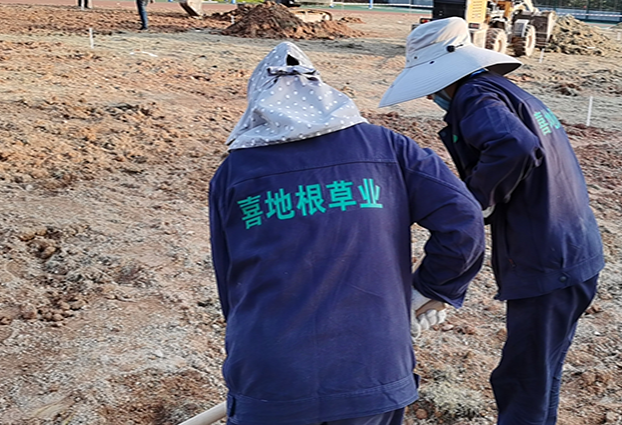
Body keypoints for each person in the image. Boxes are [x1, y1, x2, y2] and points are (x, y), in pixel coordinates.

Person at [208, 41, 486, 425]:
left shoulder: (235, 172)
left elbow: (230, 281)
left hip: (273, 373)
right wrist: (431, 290)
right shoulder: (387, 147)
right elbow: (464, 221)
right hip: (372, 364)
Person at [380, 17, 605, 425]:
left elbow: (513, 145)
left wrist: (475, 201)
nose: (430, 95)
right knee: (540, 372)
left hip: (548, 258)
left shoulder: (474, 96)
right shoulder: (506, 91)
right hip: (572, 247)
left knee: (523, 378)